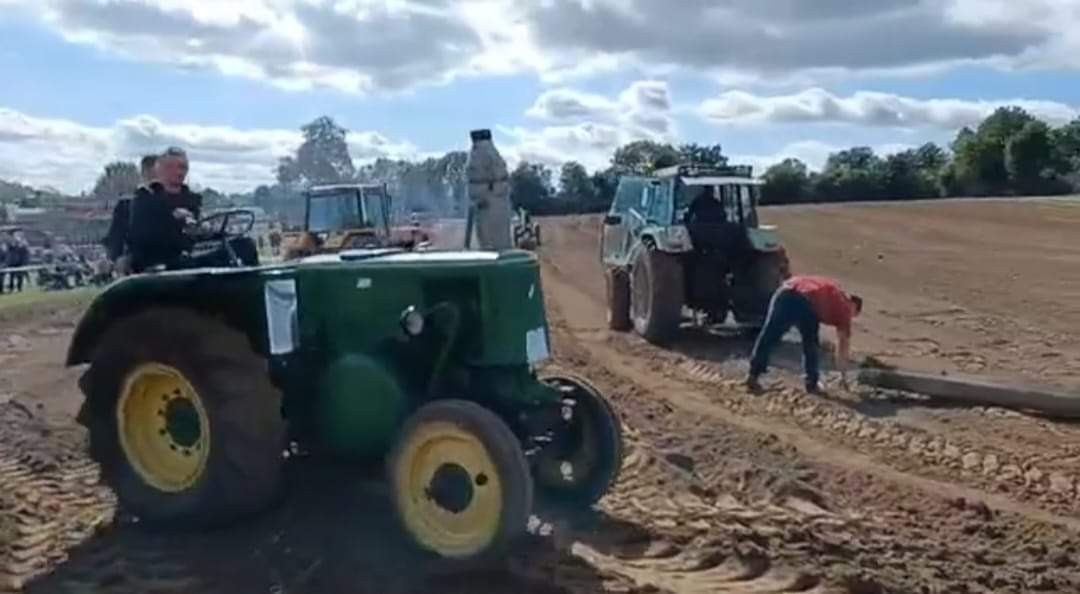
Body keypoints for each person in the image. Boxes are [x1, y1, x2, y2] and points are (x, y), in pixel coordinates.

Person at [128, 147, 257, 272]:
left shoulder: (191, 199)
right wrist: (174, 221)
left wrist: (208, 229)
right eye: (173, 167)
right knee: (185, 262)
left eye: (183, 167)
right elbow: (143, 236)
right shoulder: (145, 198)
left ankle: (248, 282)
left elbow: (201, 225)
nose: (180, 172)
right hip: (161, 260)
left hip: (190, 256)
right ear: (160, 170)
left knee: (245, 246)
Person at [746, 275, 863, 395]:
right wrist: (843, 375)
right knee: (810, 343)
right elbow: (843, 345)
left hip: (784, 291)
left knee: (769, 334)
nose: (851, 318)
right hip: (806, 302)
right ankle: (811, 383)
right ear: (854, 307)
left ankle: (753, 374)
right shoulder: (845, 308)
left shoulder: (833, 290)